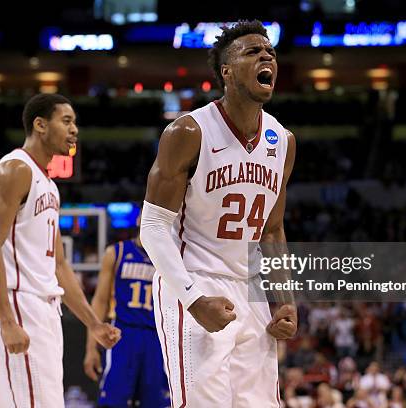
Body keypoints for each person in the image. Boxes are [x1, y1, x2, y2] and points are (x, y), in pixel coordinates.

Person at [140, 20, 297, 406]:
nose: (267, 57)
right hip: (194, 280)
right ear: (226, 71)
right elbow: (153, 226)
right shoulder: (189, 131)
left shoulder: (284, 141)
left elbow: (273, 231)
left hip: (252, 288)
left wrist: (286, 298)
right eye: (253, 52)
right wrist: (193, 299)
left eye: (270, 53)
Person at [0, 93, 121, 408]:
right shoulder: (14, 170)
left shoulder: (50, 186)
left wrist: (93, 323)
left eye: (75, 123)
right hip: (17, 302)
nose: (74, 130)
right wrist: (6, 320)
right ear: (40, 125)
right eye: (66, 121)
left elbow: (60, 268)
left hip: (43, 309)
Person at [83, 220, 170, 408]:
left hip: (157, 337)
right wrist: (91, 348)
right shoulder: (117, 252)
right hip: (122, 334)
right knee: (114, 402)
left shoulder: (170, 258)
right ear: (140, 219)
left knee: (157, 402)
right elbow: (100, 300)